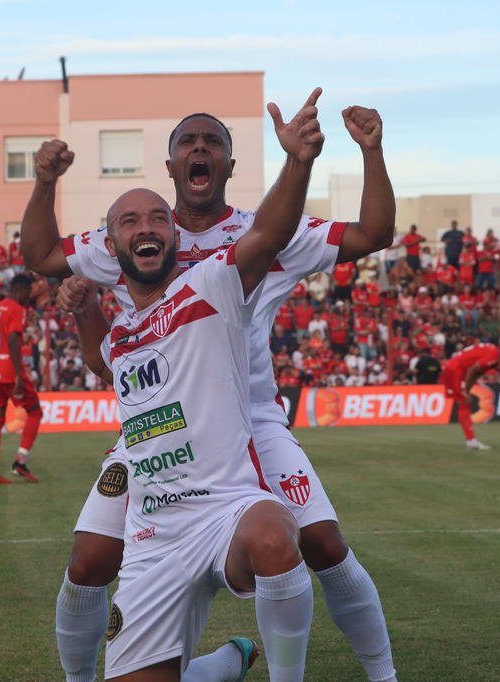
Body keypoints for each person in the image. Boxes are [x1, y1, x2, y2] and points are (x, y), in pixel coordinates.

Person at [25, 97, 397, 680]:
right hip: (157, 423)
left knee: (318, 542)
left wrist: (367, 152)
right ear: (170, 166)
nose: (199, 149)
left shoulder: (258, 236)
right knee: (91, 556)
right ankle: (205, 662)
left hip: (247, 417)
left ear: (228, 163)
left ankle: (383, 675)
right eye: (187, 143)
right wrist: (47, 193)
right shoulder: (135, 230)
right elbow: (43, 258)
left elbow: (374, 232)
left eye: (212, 142)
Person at [65, 105, 320, 681]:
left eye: (158, 217)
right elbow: (100, 359)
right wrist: (84, 310)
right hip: (152, 537)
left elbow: (270, 234)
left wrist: (297, 162)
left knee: (276, 535)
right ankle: (231, 660)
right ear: (112, 244)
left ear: (175, 234)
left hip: (224, 511)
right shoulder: (126, 333)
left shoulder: (210, 286)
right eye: (129, 221)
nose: (146, 226)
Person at [0, 274, 44, 485]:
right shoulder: (17, 309)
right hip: (8, 369)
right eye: (29, 292)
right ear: (20, 289)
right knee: (35, 412)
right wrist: (18, 373)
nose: (29, 296)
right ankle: (20, 461)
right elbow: (12, 338)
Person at [441, 342, 500, 450]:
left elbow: (475, 374)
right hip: (456, 369)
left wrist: (467, 391)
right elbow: (472, 370)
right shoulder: (493, 356)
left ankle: (471, 440)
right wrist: (465, 390)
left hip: (454, 368)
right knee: (464, 402)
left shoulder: (492, 358)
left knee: (464, 402)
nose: (499, 371)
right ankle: (471, 440)